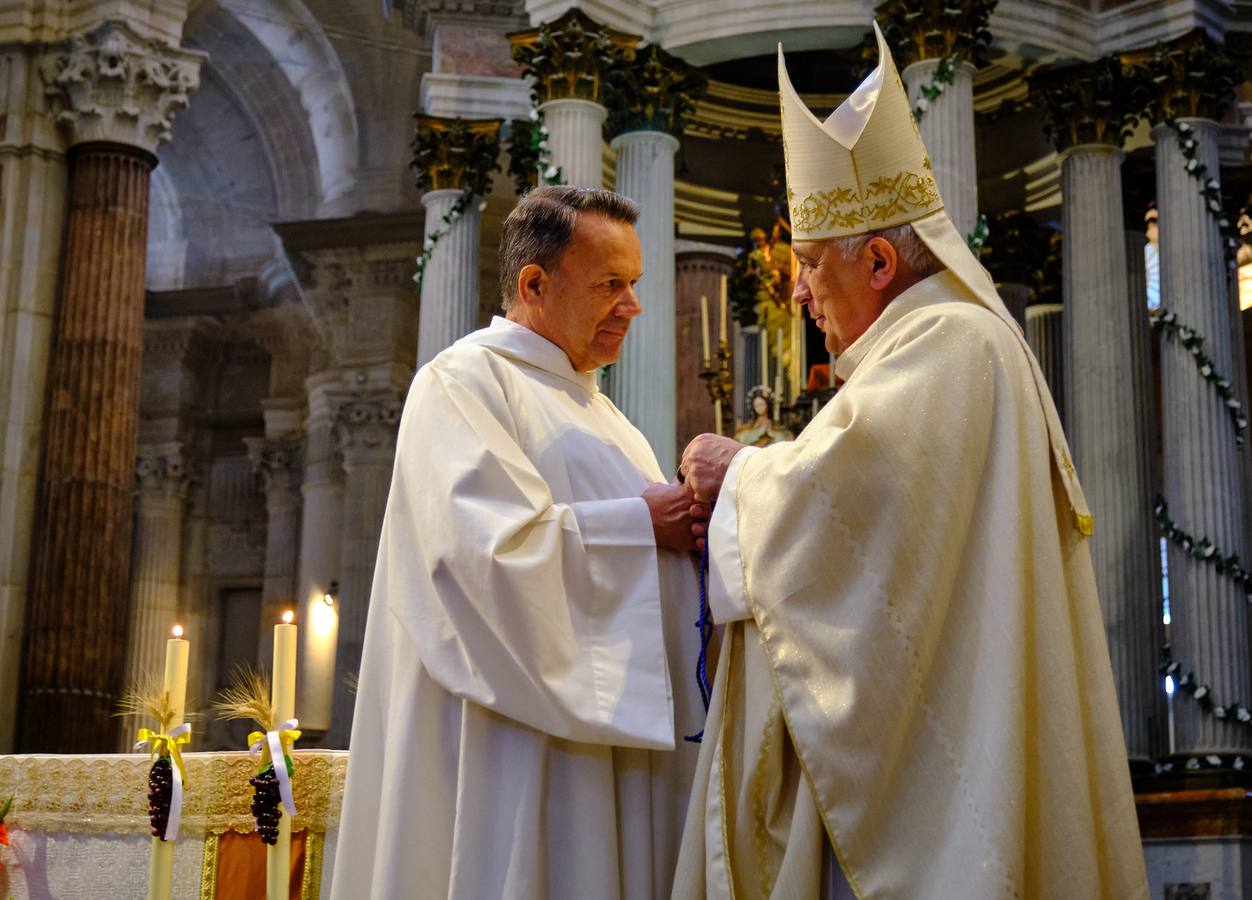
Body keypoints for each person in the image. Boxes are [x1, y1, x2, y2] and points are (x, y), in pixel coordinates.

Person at [671, 23, 1149, 900]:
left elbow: (851, 515)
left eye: (811, 265)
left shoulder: (950, 343)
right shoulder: (942, 346)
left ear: (881, 260)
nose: (799, 291)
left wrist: (737, 473)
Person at [331, 186, 708, 899]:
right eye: (611, 284)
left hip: (604, 749)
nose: (632, 306)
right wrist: (639, 525)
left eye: (635, 285)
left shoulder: (610, 420)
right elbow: (477, 558)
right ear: (534, 283)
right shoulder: (462, 383)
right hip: (511, 751)